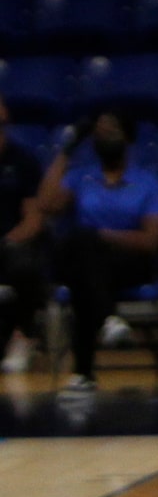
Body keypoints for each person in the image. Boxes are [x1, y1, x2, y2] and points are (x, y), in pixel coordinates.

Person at [37, 109, 158, 414]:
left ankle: (83, 372)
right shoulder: (82, 175)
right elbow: (46, 205)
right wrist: (67, 150)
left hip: (132, 262)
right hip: (90, 264)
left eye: (112, 131)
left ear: (128, 138)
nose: (105, 137)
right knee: (83, 259)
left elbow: (150, 241)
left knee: (83, 252)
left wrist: (102, 236)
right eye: (100, 132)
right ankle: (108, 320)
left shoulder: (147, 182)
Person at [0, 96, 48, 374]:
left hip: (13, 243)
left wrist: (7, 241)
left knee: (24, 265)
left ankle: (23, 335)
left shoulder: (24, 161)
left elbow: (34, 218)